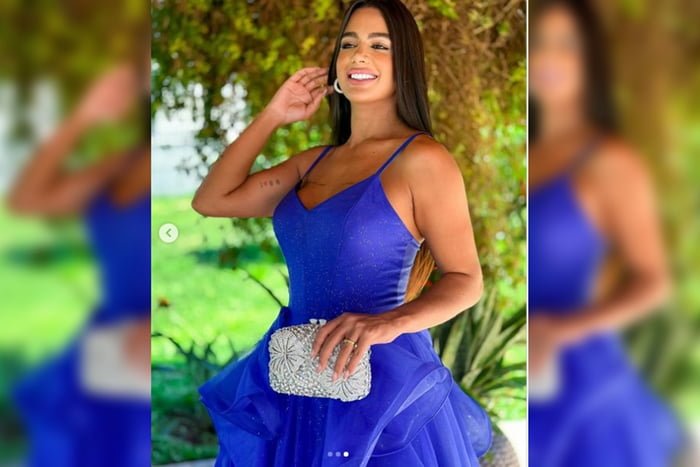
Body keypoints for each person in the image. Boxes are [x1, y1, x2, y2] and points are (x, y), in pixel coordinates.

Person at [191, 0, 492, 465]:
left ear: (405, 64)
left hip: (380, 385)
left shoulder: (423, 161)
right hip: (296, 375)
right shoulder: (313, 163)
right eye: (348, 44)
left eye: (379, 45)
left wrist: (386, 324)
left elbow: (466, 279)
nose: (359, 55)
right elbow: (212, 200)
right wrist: (273, 114)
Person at [528, 1, 683, 466]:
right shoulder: (525, 153)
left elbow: (654, 280)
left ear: (590, 60)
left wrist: (561, 331)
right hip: (529, 392)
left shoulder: (611, 162)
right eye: (539, 44)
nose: (549, 57)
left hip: (587, 396)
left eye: (567, 45)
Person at [7, 58, 151, 467]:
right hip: (104, 351)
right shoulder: (116, 166)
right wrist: (81, 120)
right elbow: (26, 201)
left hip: (141, 355)